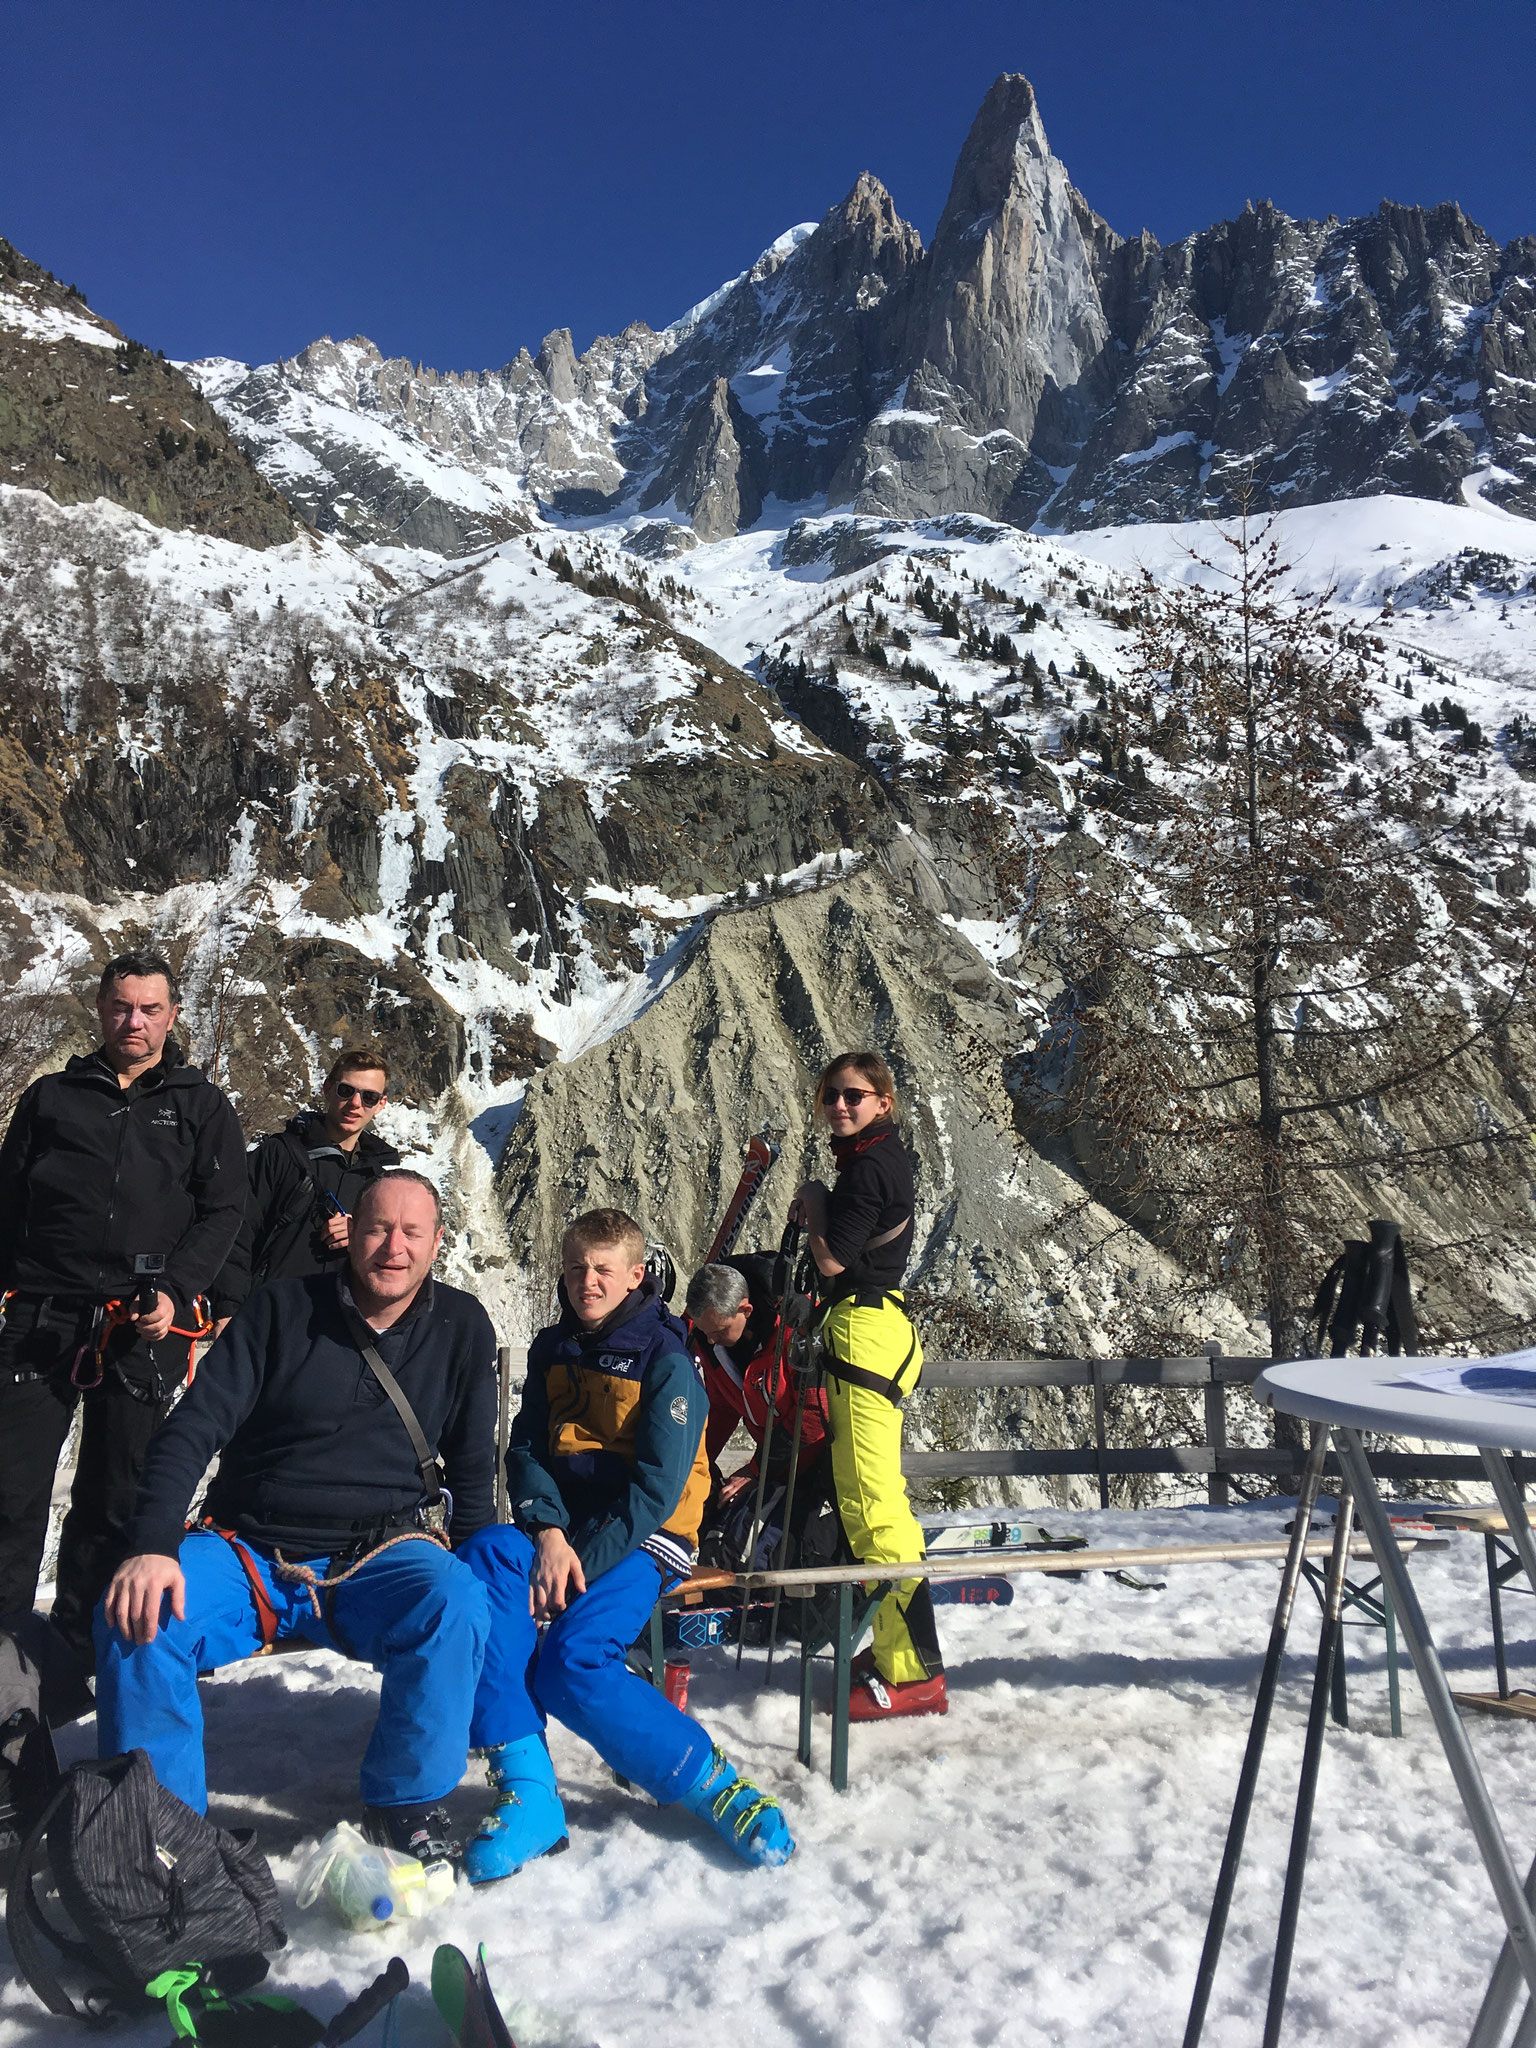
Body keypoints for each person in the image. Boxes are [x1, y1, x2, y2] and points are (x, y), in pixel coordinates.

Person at [94, 1171, 497, 1878]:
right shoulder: (282, 1310)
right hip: (249, 1545)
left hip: (380, 1553)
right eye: (377, 1228)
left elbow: (470, 1465)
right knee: (140, 1614)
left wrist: (480, 1555)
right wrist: (154, 1545)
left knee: (457, 1602)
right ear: (351, 1234)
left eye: (411, 1233)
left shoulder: (461, 1326)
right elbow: (193, 1428)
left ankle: (407, 1802)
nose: (392, 1248)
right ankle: (161, 1831)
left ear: (438, 1243)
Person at [458, 1208, 795, 1878]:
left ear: (637, 1276)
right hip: (570, 1530)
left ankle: (715, 1786)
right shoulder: (556, 1347)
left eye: (605, 1269)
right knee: (486, 1558)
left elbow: (657, 1491)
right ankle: (527, 1788)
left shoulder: (664, 1357)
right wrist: (547, 1532)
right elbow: (524, 1449)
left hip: (650, 1535)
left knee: (571, 1662)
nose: (589, 1281)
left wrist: (574, 1562)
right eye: (578, 1267)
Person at [0, 952, 246, 1657]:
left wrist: (175, 1291)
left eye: (148, 1008)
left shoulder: (202, 1106)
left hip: (145, 1325)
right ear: (100, 1009)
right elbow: (7, 1203)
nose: (132, 1021)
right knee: (10, 1492)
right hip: (40, 1316)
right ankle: (5, 1655)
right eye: (120, 1007)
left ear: (172, 1014)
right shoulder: (51, 1097)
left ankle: (85, 1644)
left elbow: (224, 1211)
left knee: (116, 1494)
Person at [791, 1050, 945, 1720]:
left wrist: (818, 1201)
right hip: (883, 1330)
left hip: (863, 1333)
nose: (840, 1105)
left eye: (855, 1095)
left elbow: (831, 1258)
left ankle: (912, 1673)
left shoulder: (864, 1170)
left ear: (883, 1100)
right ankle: (895, 1649)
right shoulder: (883, 1159)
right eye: (831, 1094)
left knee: (873, 1506)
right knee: (876, 1503)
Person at [213, 1047, 399, 1330]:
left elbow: (395, 1258)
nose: (355, 1103)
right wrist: (228, 1308)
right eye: (346, 1090)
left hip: (340, 1333)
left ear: (381, 1103)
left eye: (369, 1096)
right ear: (328, 1089)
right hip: (266, 1321)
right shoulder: (279, 1155)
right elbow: (235, 1230)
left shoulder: (379, 1181)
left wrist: (361, 1234)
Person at [684, 1259, 829, 1570]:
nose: (711, 1339)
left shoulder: (795, 1328)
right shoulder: (713, 1345)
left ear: (745, 1310)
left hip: (823, 1462)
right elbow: (722, 1406)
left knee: (802, 1548)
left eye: (719, 1330)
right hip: (776, 1464)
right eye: (705, 1332)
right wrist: (696, 1462)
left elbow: (813, 1417)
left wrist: (755, 1469)